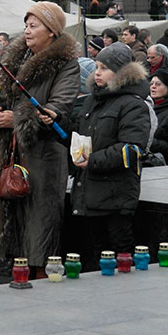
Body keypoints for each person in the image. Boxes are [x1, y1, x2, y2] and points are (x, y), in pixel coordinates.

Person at [0, 2, 80, 273]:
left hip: (41, 161)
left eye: (34, 26)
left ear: (51, 31)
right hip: (7, 157)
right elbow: (1, 96)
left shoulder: (66, 65)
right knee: (6, 242)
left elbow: (59, 107)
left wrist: (17, 119)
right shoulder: (14, 61)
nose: (27, 31)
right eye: (26, 26)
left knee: (37, 238)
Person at [66, 42, 153, 271]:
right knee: (97, 258)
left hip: (116, 198)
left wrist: (93, 161)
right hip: (90, 194)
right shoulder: (92, 101)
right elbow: (78, 136)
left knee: (121, 256)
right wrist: (53, 123)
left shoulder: (133, 105)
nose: (97, 72)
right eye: (96, 66)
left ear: (121, 72)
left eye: (104, 67)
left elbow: (131, 149)